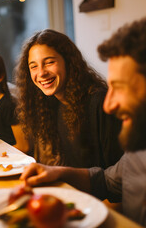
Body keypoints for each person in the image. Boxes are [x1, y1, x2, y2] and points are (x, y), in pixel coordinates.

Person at [20, 13, 146, 228]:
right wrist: (56, 172)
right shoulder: (145, 146)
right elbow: (107, 181)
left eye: (120, 87)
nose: (108, 104)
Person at [15, 29, 122, 168]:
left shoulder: (99, 102)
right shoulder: (51, 102)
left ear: (68, 62)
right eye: (34, 66)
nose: (41, 73)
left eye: (49, 62)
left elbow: (116, 172)